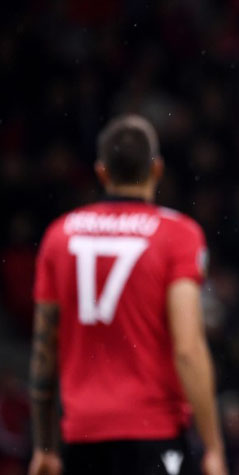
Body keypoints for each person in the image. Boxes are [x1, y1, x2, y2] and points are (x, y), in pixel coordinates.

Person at [29, 115, 227, 475]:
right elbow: (187, 348)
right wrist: (212, 445)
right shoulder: (178, 235)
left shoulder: (60, 236)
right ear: (157, 169)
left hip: (81, 434)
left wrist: (45, 446)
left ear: (101, 173)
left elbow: (44, 350)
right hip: (153, 432)